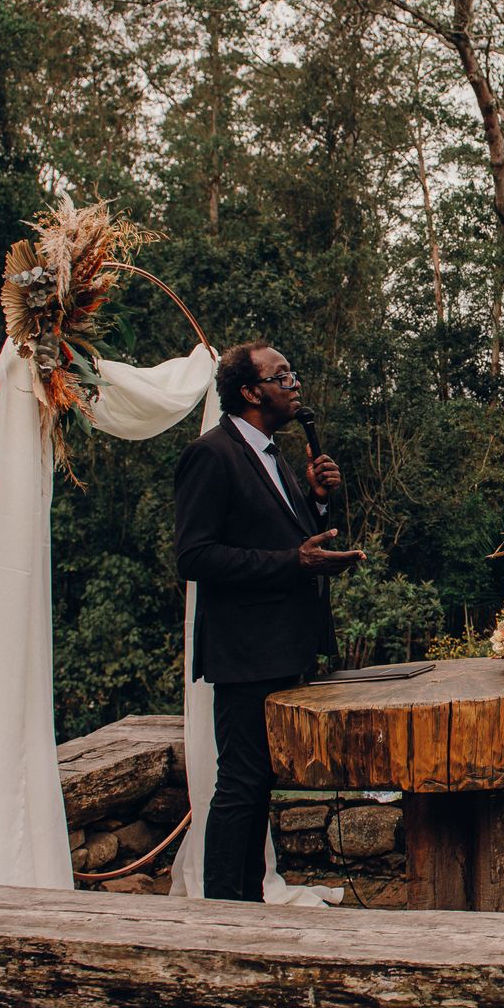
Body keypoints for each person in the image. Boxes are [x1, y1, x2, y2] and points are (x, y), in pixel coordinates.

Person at [173, 341, 362, 901]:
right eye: (282, 377)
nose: (294, 383)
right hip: (244, 651)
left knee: (260, 782)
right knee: (240, 783)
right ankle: (221, 909)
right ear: (250, 392)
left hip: (284, 644)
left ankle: (249, 901)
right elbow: (194, 556)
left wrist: (318, 500)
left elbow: (290, 535)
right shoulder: (212, 455)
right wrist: (292, 562)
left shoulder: (273, 456)